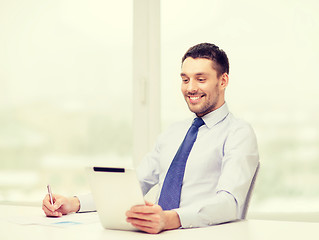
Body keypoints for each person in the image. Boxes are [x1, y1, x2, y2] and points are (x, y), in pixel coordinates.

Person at [42, 43, 259, 234]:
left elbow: (229, 203)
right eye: (185, 79)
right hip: (154, 233)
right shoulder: (174, 132)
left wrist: (170, 219)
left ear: (223, 81)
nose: (190, 88)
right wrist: (73, 203)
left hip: (196, 233)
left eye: (200, 79)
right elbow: (136, 184)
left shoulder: (238, 133)